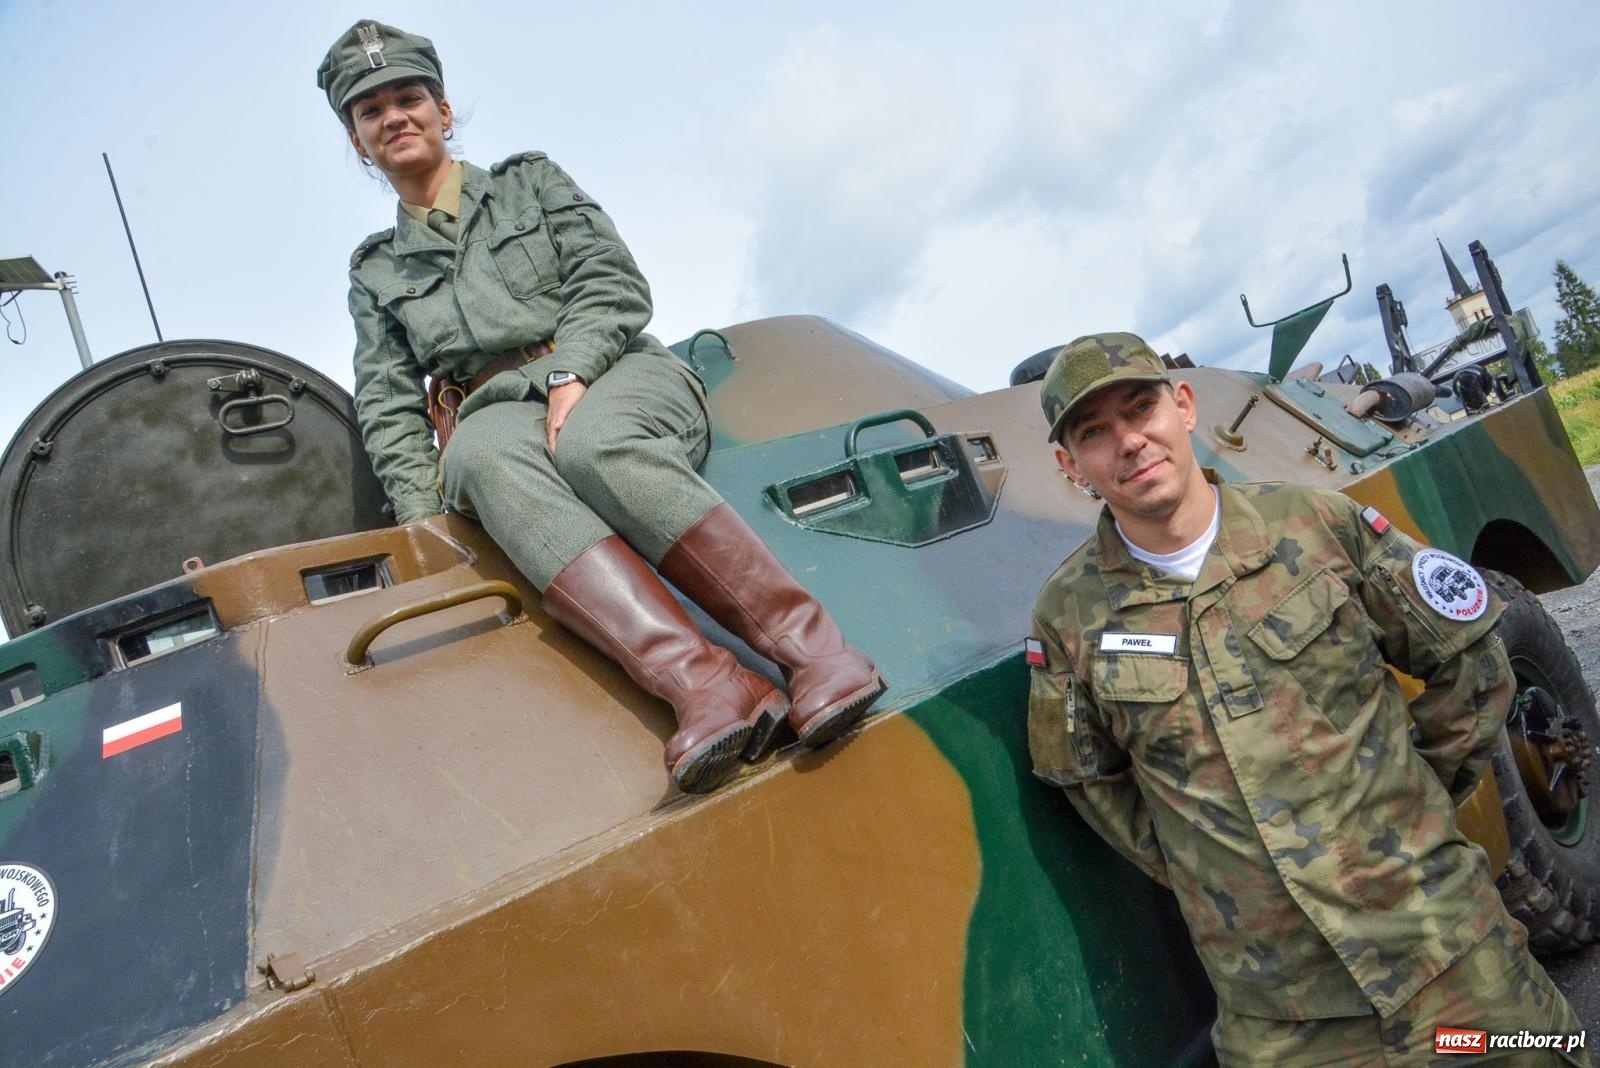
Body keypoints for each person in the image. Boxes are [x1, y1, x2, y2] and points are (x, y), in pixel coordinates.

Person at [316, 21, 885, 795]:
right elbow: (385, 401)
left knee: (592, 446)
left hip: (611, 369)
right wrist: (426, 519)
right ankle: (711, 687)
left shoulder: (529, 183)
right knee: (476, 459)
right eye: (371, 110)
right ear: (358, 142)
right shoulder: (376, 273)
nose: (394, 117)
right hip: (499, 419)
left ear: (444, 112)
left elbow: (612, 282)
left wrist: (571, 371)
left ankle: (815, 652)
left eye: (408, 97)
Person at [1026, 332, 1588, 1065]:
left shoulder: (1317, 525)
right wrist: (1219, 864)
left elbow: (1469, 657)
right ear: (1071, 465)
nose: (1129, 442)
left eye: (1141, 409)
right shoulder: (1070, 619)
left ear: (1184, 406)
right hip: (1285, 1021)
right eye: (1094, 433)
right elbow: (1092, 783)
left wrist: (1409, 797)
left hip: (1452, 962)